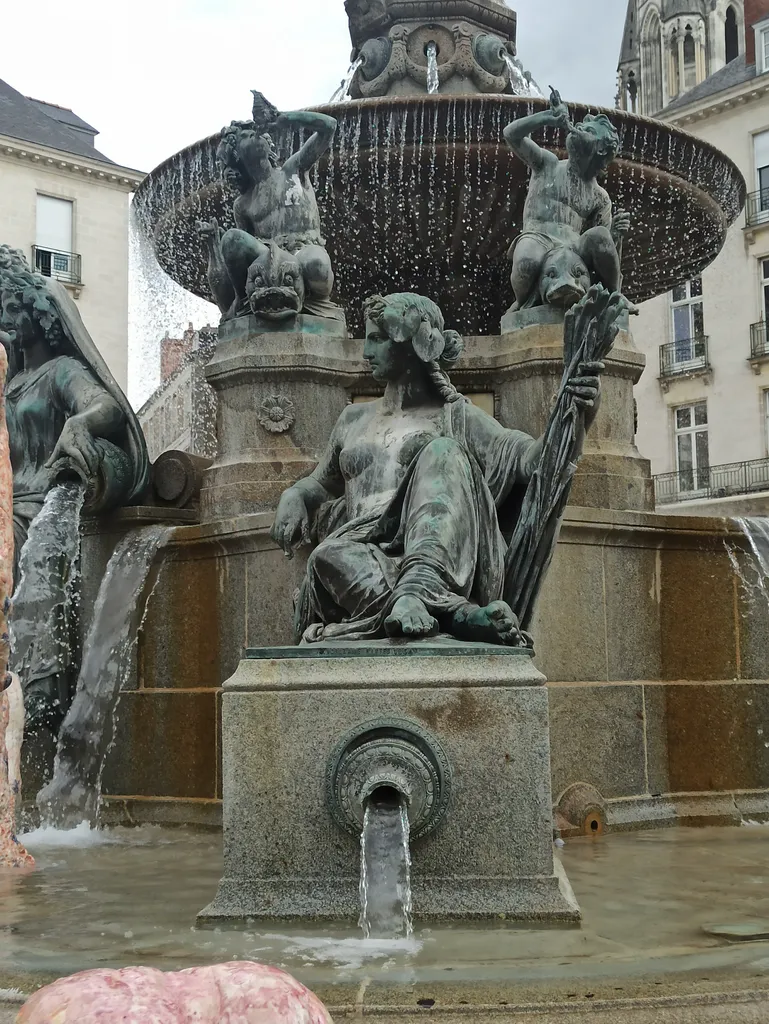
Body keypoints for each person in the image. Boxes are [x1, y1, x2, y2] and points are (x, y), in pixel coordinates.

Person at [271, 291, 604, 645]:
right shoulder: (352, 419)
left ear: (416, 344)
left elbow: (533, 461)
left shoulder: (457, 416)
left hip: (441, 559)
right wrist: (295, 494)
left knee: (442, 450)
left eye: (378, 339)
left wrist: (576, 411)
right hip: (365, 556)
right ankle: (456, 615)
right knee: (325, 555)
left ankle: (418, 591)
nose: (366, 352)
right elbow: (323, 484)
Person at [0, 246, 148, 725]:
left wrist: (79, 424)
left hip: (40, 507)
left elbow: (103, 405)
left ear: (36, 315)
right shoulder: (8, 383)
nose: (1, 320)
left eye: (8, 309)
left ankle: (36, 685)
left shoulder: (60, 371)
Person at [205, 92, 343, 323]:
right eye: (247, 135)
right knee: (232, 239)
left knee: (315, 265)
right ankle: (242, 302)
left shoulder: (293, 170)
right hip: (269, 258)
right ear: (237, 153)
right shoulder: (243, 203)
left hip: (305, 249)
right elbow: (245, 256)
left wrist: (284, 118)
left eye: (257, 131)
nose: (256, 133)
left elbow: (329, 126)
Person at [503, 88, 631, 311]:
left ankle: (615, 296)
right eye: (580, 126)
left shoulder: (600, 197)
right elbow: (510, 134)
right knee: (527, 260)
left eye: (587, 130)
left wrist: (616, 236)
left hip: (573, 246)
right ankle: (523, 303)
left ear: (600, 150)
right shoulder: (547, 164)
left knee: (601, 236)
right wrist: (547, 117)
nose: (578, 129)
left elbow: (606, 250)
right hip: (538, 236)